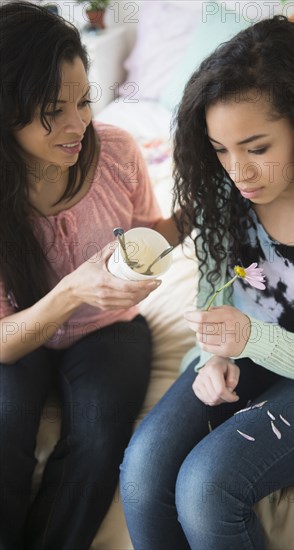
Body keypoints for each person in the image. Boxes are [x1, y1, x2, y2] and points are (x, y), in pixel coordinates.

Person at [120, 15, 294, 549]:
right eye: (221, 150)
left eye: (257, 148)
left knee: (207, 489)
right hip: (240, 358)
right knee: (140, 473)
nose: (239, 171)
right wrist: (212, 360)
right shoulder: (225, 200)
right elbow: (214, 294)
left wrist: (250, 339)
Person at [0, 2, 181, 548]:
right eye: (55, 110)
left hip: (108, 327)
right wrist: (75, 287)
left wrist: (202, 207)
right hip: (19, 337)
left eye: (84, 101)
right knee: (6, 429)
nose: (79, 125)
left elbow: (150, 231)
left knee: (101, 437)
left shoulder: (119, 152)